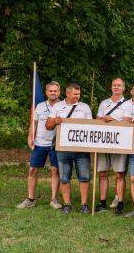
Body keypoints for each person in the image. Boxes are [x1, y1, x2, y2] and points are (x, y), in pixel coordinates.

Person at [45, 83, 93, 214]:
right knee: (64, 177)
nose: (78, 96)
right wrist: (55, 121)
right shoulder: (57, 107)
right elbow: (47, 125)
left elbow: (91, 126)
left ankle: (84, 204)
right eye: (75, 94)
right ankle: (67, 204)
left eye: (79, 94)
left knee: (84, 177)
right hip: (63, 148)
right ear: (67, 94)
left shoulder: (85, 107)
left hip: (82, 148)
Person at [17, 81, 62, 210]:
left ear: (59, 92)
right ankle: (30, 199)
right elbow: (34, 124)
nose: (53, 93)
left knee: (55, 170)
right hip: (40, 143)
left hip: (56, 144)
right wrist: (30, 136)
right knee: (32, 170)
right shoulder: (40, 106)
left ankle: (54, 199)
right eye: (50, 91)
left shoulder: (63, 106)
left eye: (55, 91)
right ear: (47, 92)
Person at [95, 78, 131, 215]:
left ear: (123, 88)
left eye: (119, 85)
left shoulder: (128, 104)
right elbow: (98, 119)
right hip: (104, 141)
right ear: (111, 87)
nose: (116, 87)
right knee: (103, 173)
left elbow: (127, 122)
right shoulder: (104, 103)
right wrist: (102, 120)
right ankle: (102, 202)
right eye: (114, 85)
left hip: (120, 143)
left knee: (119, 174)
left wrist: (113, 119)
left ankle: (120, 203)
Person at [110, 82, 134, 210]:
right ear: (131, 92)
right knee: (120, 171)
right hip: (124, 141)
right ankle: (117, 196)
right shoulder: (125, 104)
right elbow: (120, 120)